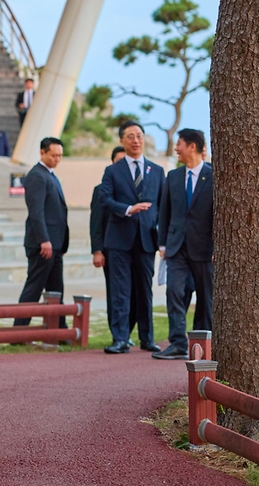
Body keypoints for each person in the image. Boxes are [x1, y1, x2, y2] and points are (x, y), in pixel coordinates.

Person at [98, 121, 165, 355]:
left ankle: (147, 338)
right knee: (120, 291)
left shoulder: (156, 171)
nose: (135, 140)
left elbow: (163, 206)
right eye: (130, 136)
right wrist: (129, 209)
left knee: (144, 291)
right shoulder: (112, 171)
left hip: (147, 240)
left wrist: (163, 238)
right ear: (121, 141)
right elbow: (104, 200)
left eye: (139, 136)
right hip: (119, 240)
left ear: (144, 139)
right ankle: (120, 338)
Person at [154, 129, 213, 360]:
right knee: (174, 292)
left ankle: (202, 345)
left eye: (179, 144)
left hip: (205, 248)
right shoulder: (173, 177)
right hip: (176, 247)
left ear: (192, 146)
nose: (176, 148)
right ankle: (177, 343)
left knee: (205, 298)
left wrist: (217, 247)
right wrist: (162, 243)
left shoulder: (214, 176)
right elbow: (164, 212)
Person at [13, 137, 68, 329]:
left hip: (55, 243)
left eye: (60, 156)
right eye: (53, 155)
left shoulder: (50, 175)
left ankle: (60, 330)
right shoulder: (37, 175)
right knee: (34, 288)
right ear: (42, 153)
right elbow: (36, 212)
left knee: (56, 289)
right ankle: (18, 330)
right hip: (43, 244)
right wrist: (44, 239)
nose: (57, 159)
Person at [90, 146, 138, 344]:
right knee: (116, 293)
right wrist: (97, 250)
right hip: (112, 249)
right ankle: (118, 334)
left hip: (135, 248)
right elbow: (96, 222)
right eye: (119, 162)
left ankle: (128, 332)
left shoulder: (136, 187)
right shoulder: (101, 190)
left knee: (134, 293)